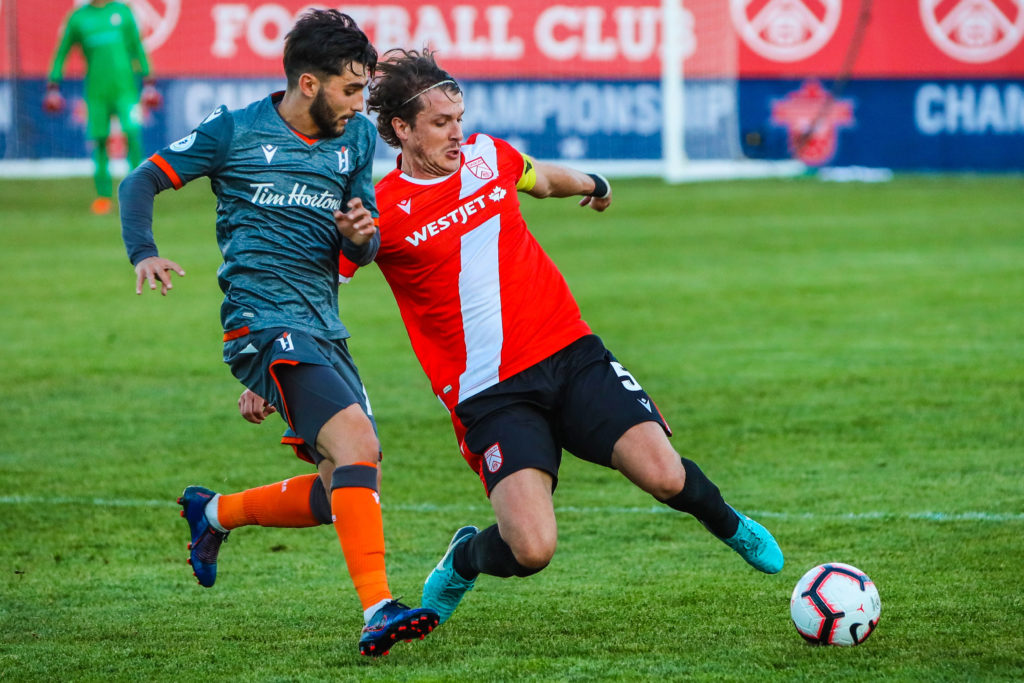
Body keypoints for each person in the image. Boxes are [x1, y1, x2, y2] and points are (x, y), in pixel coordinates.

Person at [360, 49, 785, 625]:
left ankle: (730, 523)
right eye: (441, 124)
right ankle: (463, 559)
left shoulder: (490, 156)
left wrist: (595, 181)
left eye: (459, 118)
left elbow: (540, 177)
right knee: (532, 549)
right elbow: (317, 279)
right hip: (489, 392)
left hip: (568, 352)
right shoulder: (379, 213)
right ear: (401, 129)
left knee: (665, 473)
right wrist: (266, 359)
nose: (457, 133)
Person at [116, 10, 437, 657]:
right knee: (357, 442)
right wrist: (144, 251)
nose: (359, 103)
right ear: (310, 83)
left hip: (323, 327)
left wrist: (360, 236)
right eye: (351, 90)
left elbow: (365, 242)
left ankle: (212, 513)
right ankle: (379, 606)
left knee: (338, 489)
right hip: (261, 321)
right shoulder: (234, 131)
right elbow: (140, 179)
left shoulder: (354, 144)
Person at [45, 0, 162, 215]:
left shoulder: (122, 12)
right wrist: (53, 84)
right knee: (99, 140)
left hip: (125, 89)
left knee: (132, 134)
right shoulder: (78, 18)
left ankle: (137, 192)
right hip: (96, 92)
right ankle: (103, 196)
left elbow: (137, 47)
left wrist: (149, 80)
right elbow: (62, 51)